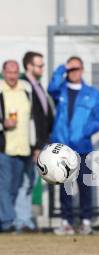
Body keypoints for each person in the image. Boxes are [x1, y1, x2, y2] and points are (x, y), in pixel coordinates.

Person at [48, 56, 99, 235]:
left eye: (77, 69)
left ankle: (86, 221)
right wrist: (62, 68)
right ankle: (66, 221)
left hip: (83, 146)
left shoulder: (92, 93)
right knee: (65, 185)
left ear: (82, 70)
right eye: (70, 69)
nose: (74, 72)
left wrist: (85, 132)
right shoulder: (61, 90)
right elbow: (51, 87)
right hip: (63, 147)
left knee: (84, 185)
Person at [13, 51, 54, 233]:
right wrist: (36, 145)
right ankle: (22, 221)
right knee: (24, 182)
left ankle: (25, 219)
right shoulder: (25, 86)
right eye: (39, 65)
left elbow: (44, 115)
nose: (42, 68)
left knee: (30, 182)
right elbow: (32, 119)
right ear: (29, 66)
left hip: (41, 142)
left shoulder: (37, 85)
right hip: (31, 144)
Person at [0, 60, 33, 233]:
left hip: (22, 147)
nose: (12, 76)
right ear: (3, 72)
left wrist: (35, 145)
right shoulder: (0, 90)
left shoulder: (26, 90)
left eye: (15, 72)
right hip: (3, 148)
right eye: (9, 72)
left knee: (15, 186)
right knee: (4, 186)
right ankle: (7, 222)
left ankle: (9, 219)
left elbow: (33, 119)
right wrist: (2, 123)